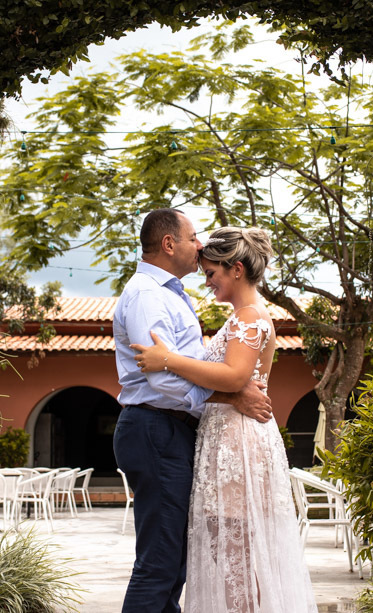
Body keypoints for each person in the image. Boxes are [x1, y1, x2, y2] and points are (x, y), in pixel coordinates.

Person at [132, 226, 318, 613]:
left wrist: (168, 360)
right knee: (228, 553)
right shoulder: (240, 317)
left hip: (238, 443)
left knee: (238, 556)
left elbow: (235, 377)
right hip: (224, 439)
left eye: (212, 274)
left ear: (236, 269)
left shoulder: (249, 318)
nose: (208, 282)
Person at [112, 209, 273, 613]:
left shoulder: (171, 294)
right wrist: (230, 396)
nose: (199, 244)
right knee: (162, 561)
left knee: (175, 561)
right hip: (157, 427)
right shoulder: (149, 295)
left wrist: (215, 385)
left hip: (174, 430)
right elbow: (161, 379)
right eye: (193, 237)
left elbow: (183, 364)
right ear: (170, 244)